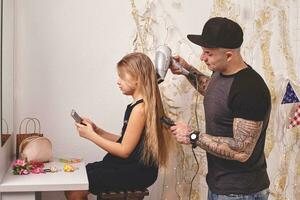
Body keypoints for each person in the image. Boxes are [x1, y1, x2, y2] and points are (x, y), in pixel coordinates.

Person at [168, 17, 271, 200]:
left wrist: (193, 135)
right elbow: (213, 92)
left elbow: (241, 151)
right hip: (219, 186)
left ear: (229, 55)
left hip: (241, 193)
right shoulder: (221, 72)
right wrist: (186, 70)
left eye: (208, 53)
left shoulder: (249, 89)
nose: (202, 57)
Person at [65, 52, 172, 200]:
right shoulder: (136, 106)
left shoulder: (140, 109)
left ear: (137, 79)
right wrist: (98, 131)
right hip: (130, 166)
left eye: (122, 77)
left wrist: (91, 136)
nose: (118, 81)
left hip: (137, 171)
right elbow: (128, 141)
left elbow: (124, 151)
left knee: (77, 187)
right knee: (78, 176)